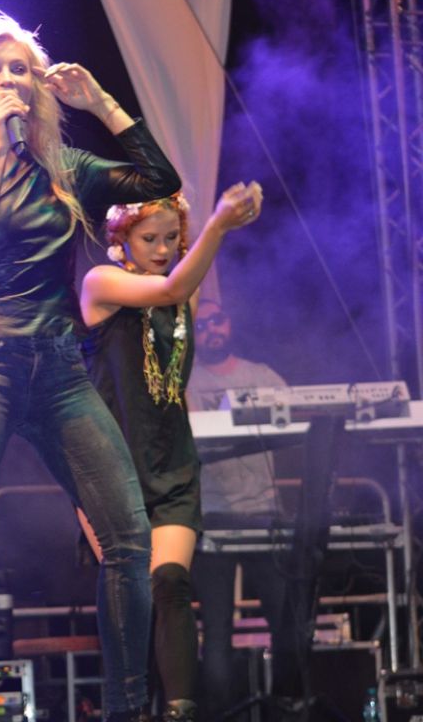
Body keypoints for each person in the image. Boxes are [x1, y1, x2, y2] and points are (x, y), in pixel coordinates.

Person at [0, 12, 182, 722]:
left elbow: (160, 178)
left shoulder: (66, 169)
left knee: (128, 538)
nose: (9, 79)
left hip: (58, 369)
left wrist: (102, 104)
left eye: (20, 69)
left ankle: (126, 708)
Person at [77, 186, 262, 721]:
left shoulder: (185, 295)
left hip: (172, 463)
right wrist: (218, 226)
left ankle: (181, 712)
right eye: (149, 239)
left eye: (171, 238)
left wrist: (215, 229)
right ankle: (128, 709)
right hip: (110, 464)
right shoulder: (100, 284)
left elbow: (178, 301)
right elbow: (174, 286)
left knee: (172, 583)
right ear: (122, 240)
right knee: (130, 589)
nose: (162, 249)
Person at [187, 299, 301, 718]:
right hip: (211, 517)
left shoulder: (261, 375)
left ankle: (286, 709)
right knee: (217, 631)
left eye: (217, 320)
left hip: (263, 514)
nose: (211, 330)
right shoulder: (185, 379)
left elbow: (297, 420)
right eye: (201, 324)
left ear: (229, 324)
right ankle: (221, 714)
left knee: (286, 622)